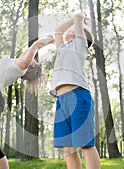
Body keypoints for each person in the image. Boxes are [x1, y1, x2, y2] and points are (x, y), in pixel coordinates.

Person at [0, 36, 54, 169]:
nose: (32, 57)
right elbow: (27, 50)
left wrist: (51, 39)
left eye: (34, 60)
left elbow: (36, 45)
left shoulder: (22, 65)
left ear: (32, 65)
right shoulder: (17, 62)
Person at [50, 13, 100, 169]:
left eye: (73, 29)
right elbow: (58, 31)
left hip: (78, 96)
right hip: (61, 99)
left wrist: (79, 18)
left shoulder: (80, 45)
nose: (69, 30)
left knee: (85, 145)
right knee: (68, 149)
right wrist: (72, 19)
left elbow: (78, 24)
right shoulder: (63, 47)